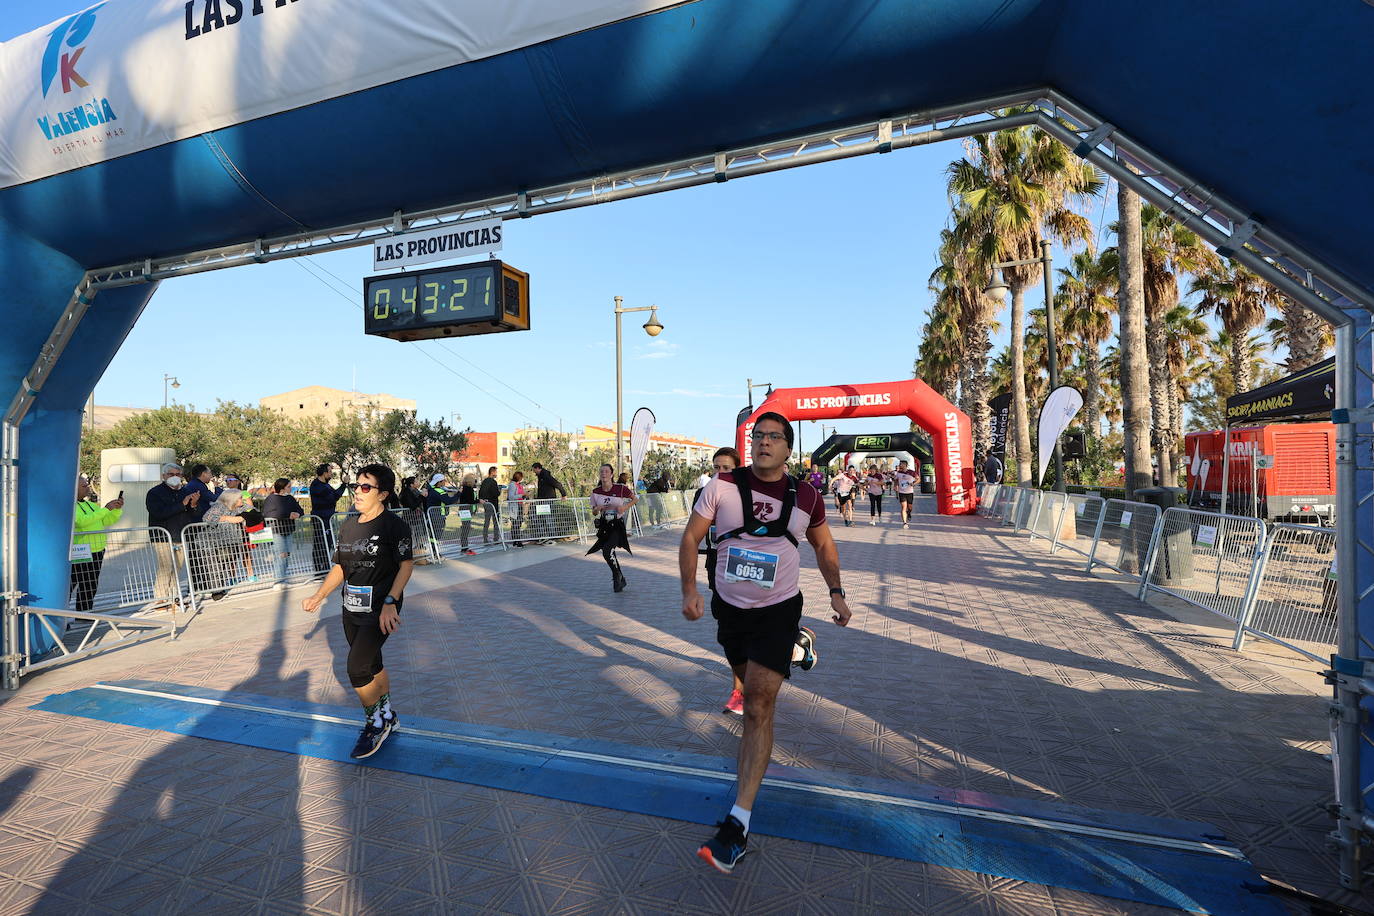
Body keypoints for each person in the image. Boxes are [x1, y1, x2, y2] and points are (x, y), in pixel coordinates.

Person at [680, 412, 852, 873]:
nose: (763, 443)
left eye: (774, 437)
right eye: (758, 436)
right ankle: (797, 647)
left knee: (757, 703)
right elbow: (691, 538)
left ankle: (738, 823)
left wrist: (836, 594)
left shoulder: (808, 496)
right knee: (742, 676)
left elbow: (823, 548)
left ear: (787, 448)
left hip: (778, 609)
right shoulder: (719, 487)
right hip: (729, 610)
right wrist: (690, 590)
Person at [302, 464, 413, 760]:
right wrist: (319, 595)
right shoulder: (349, 525)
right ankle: (388, 714)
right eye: (356, 486)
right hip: (351, 605)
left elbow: (405, 565)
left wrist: (391, 601)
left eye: (366, 487)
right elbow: (341, 566)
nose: (358, 492)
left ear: (384, 494)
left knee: (356, 667)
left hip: (381, 608)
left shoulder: (394, 526)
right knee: (372, 662)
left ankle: (374, 723)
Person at [693, 447, 746, 716]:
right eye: (717, 468)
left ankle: (794, 641)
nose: (721, 472)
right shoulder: (704, 494)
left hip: (745, 563)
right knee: (727, 629)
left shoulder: (746, 493)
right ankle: (739, 690)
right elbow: (695, 532)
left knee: (752, 625)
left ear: (737, 469)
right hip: (716, 563)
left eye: (726, 468)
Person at [145, 462, 221, 604]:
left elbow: (195, 513)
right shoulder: (154, 493)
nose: (175, 477)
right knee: (166, 567)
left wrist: (193, 504)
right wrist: (182, 504)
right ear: (163, 476)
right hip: (163, 537)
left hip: (182, 535)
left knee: (177, 568)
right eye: (171, 474)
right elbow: (159, 513)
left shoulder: (185, 491)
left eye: (178, 474)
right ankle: (160, 599)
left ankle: (174, 597)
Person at [70, 474, 123, 614]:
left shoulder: (90, 504)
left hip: (97, 549)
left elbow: (106, 520)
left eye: (87, 485)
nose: (87, 488)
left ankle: (84, 612)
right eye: (84, 486)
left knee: (90, 583)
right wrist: (106, 509)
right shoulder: (70, 506)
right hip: (80, 550)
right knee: (72, 583)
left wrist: (116, 509)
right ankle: (60, 613)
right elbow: (81, 521)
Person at [586, 463, 637, 591]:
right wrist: (597, 508)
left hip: (617, 525)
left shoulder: (620, 488)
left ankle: (616, 575)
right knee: (609, 552)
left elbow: (635, 499)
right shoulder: (596, 492)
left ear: (612, 474)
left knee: (607, 551)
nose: (604, 474)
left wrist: (624, 507)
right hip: (604, 526)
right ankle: (620, 577)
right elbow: (594, 512)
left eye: (606, 471)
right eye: (601, 471)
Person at [262, 478, 305, 588]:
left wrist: (297, 514)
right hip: (276, 531)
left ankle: (282, 577)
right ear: (282, 488)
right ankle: (278, 581)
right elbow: (268, 513)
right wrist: (287, 515)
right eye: (289, 487)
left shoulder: (290, 498)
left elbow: (300, 510)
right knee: (281, 555)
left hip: (288, 530)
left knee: (287, 555)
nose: (291, 488)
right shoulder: (271, 499)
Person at [310, 464, 347, 573]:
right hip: (321, 520)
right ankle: (319, 570)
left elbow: (335, 496)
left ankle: (325, 568)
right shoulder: (317, 486)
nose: (331, 474)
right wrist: (344, 484)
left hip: (327, 519)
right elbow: (333, 498)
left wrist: (344, 485)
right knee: (320, 544)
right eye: (330, 472)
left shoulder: (326, 485)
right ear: (324, 473)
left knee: (328, 543)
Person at [530, 462, 569, 544]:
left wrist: (563, 494)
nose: (533, 472)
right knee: (540, 518)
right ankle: (542, 536)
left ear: (537, 468)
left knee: (548, 518)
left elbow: (557, 484)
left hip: (547, 500)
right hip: (541, 501)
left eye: (534, 470)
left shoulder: (546, 476)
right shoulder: (540, 476)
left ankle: (552, 536)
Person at [478, 466, 502, 545]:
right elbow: (496, 494)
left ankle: (485, 539)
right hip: (493, 504)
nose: (496, 474)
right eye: (496, 472)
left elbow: (480, 493)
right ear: (492, 472)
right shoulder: (493, 482)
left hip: (486, 503)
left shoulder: (484, 481)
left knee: (487, 521)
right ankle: (496, 539)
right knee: (496, 522)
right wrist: (499, 490)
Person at [456, 473, 479, 556]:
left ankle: (465, 546)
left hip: (465, 510)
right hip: (465, 510)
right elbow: (470, 500)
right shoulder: (468, 489)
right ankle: (464, 547)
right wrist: (479, 501)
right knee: (466, 528)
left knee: (466, 528)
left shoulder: (465, 488)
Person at [893, 460, 918, 529]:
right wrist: (895, 486)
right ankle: (905, 523)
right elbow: (896, 480)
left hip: (910, 492)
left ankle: (909, 513)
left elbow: (918, 479)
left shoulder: (911, 472)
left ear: (905, 465)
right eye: (899, 464)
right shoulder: (898, 473)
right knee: (903, 507)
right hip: (902, 492)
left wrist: (914, 484)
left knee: (910, 507)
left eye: (901, 464)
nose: (900, 465)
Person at [506, 470, 527, 547]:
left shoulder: (520, 485)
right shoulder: (512, 485)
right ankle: (516, 540)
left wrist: (525, 496)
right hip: (515, 507)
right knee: (516, 523)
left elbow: (521, 494)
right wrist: (521, 496)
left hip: (520, 505)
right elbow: (511, 497)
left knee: (519, 523)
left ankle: (517, 540)